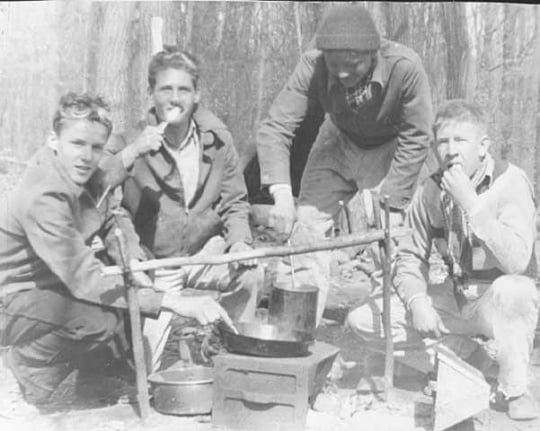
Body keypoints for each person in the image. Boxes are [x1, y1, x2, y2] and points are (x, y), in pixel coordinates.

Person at [0, 92, 233, 419]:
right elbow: (84, 279)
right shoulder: (44, 193)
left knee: (131, 292)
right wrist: (172, 300)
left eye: (96, 147)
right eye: (77, 143)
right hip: (17, 298)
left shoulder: (80, 170)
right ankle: (32, 367)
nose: (87, 156)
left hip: (56, 283)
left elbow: (106, 213)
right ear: (53, 139)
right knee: (96, 318)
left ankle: (94, 377)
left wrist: (133, 261)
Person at [347, 99, 539, 420]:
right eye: (443, 142)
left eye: (461, 141)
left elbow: (518, 261)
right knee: (363, 319)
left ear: (483, 147)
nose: (450, 151)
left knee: (516, 290)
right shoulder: (430, 190)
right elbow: (409, 254)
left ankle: (515, 388)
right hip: (456, 299)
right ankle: (466, 359)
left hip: (496, 304)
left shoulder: (511, 182)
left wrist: (472, 204)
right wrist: (418, 300)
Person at [256, 4, 433, 324]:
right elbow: (275, 127)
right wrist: (282, 194)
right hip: (337, 139)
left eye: (352, 65)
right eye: (334, 64)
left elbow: (418, 135)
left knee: (392, 240)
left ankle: (393, 327)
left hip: (390, 147)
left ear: (374, 53)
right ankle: (296, 333)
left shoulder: (405, 67)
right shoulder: (312, 65)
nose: (341, 73)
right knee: (306, 233)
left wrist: (394, 199)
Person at [102, 48, 263, 371]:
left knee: (250, 274)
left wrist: (240, 242)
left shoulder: (217, 140)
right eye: (165, 89)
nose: (174, 98)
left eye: (183, 89)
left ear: (197, 94)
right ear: (151, 94)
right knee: (148, 372)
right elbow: (110, 205)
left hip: (202, 252)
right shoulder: (131, 141)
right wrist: (131, 255)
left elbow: (234, 200)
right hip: (155, 262)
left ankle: (229, 353)